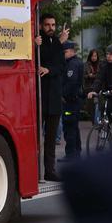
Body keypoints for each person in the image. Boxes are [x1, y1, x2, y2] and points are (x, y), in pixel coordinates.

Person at [36, 13, 68, 181]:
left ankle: (50, 170)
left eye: (53, 25)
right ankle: (34, 172)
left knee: (50, 139)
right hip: (39, 99)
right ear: (41, 25)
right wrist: (34, 46)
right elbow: (33, 60)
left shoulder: (55, 42)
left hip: (54, 99)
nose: (51, 28)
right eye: (48, 25)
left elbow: (61, 66)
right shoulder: (38, 42)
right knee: (35, 139)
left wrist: (48, 70)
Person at [60, 41, 84, 161]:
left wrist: (63, 95)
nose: (63, 54)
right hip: (74, 100)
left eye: (65, 52)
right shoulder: (76, 62)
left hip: (71, 101)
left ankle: (71, 155)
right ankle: (76, 153)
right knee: (73, 127)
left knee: (69, 127)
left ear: (71, 51)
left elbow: (71, 82)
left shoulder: (72, 64)